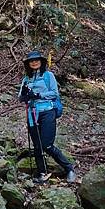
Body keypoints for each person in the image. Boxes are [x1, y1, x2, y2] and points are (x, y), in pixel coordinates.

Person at [18, 50, 76, 184]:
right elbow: (20, 96)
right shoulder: (26, 79)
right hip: (32, 113)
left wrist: (38, 95)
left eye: (36, 60)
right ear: (28, 64)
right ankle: (42, 172)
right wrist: (25, 95)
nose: (34, 62)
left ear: (41, 61)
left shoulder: (48, 75)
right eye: (31, 61)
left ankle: (69, 169)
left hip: (47, 111)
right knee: (37, 145)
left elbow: (54, 93)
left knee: (47, 145)